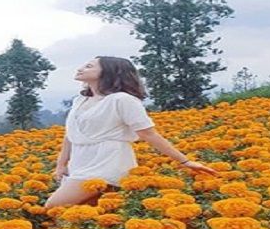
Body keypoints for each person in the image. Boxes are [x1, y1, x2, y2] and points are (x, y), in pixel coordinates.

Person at [44, 56, 220, 209]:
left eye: (89, 66)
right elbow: (71, 134)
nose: (81, 68)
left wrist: (185, 161)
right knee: (83, 213)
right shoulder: (80, 100)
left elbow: (149, 134)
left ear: (108, 73)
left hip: (107, 161)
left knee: (53, 206)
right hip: (80, 161)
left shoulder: (122, 100)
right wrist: (61, 164)